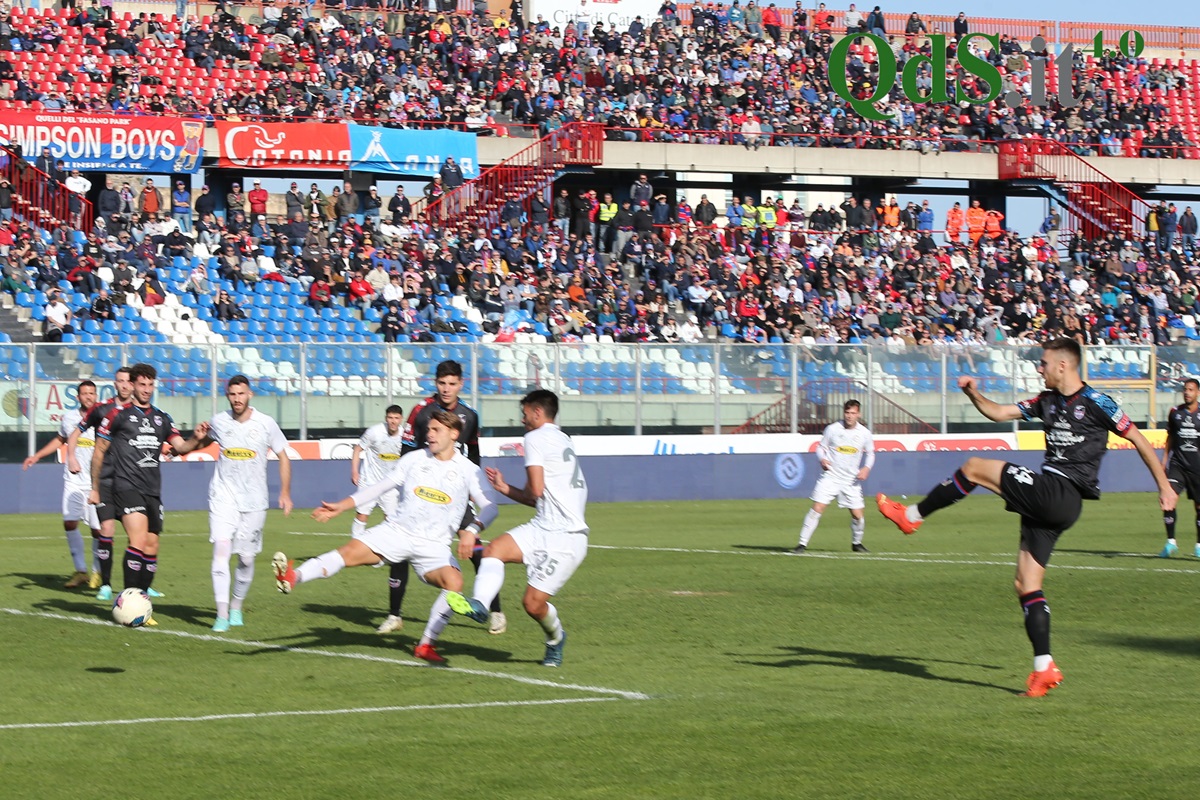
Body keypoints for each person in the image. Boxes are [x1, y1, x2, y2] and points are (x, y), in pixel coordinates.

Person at [876, 338, 1175, 697]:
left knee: (973, 467)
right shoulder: (1044, 402)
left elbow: (1141, 441)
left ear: (1063, 365)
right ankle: (1043, 667)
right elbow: (999, 412)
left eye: (1044, 363)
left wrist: (1165, 487)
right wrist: (974, 393)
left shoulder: (1098, 402)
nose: (1039, 368)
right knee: (1026, 585)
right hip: (1052, 502)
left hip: (1061, 493)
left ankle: (911, 515)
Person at [273, 410, 498, 664]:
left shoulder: (468, 470)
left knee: (454, 583)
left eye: (436, 430)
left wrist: (472, 530)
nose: (429, 434)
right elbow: (379, 487)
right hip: (396, 532)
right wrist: (342, 506)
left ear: (454, 434)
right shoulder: (413, 459)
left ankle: (426, 645)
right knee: (347, 553)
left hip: (434, 545)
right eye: (429, 429)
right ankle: (294, 576)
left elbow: (491, 506)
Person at [447, 390, 587, 668]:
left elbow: (534, 491)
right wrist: (504, 488)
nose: (522, 420)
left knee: (533, 605)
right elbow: (539, 496)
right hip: (543, 525)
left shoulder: (534, 437)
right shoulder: (562, 437)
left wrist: (508, 489)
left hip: (567, 537)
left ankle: (556, 639)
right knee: (493, 551)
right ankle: (480, 605)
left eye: (524, 414)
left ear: (537, 412)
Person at [382, 360, 506, 634]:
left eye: (452, 384)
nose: (447, 389)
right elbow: (406, 454)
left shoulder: (470, 416)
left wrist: (474, 491)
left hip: (456, 497)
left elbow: (473, 454)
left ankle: (495, 610)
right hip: (423, 494)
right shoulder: (421, 412)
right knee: (401, 551)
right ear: (435, 384)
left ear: (461, 384)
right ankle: (394, 615)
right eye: (442, 383)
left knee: (474, 550)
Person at [90, 363, 209, 609]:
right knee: (138, 539)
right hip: (126, 485)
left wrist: (196, 438)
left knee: (152, 544)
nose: (146, 389)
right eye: (142, 385)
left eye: (150, 385)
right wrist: (94, 487)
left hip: (153, 489)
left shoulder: (161, 418)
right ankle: (128, 599)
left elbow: (181, 447)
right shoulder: (117, 415)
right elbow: (98, 452)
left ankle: (141, 601)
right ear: (132, 385)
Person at [199, 376, 293, 632]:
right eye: (232, 394)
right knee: (221, 551)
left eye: (241, 394)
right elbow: (201, 441)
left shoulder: (265, 424)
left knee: (247, 560)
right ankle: (221, 615)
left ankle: (236, 607)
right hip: (223, 497)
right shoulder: (219, 421)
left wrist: (284, 492)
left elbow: (284, 456)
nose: (237, 399)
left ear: (250, 394)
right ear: (227, 395)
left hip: (254, 500)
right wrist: (188, 443)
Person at [22, 380, 102, 588]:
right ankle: (80, 571)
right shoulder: (69, 418)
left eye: (92, 393)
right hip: (73, 480)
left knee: (97, 529)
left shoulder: (103, 417)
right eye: (84, 393)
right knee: (69, 522)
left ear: (96, 395)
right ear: (78, 397)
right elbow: (60, 440)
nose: (88, 397)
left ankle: (97, 572)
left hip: (96, 481)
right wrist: (37, 455)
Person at [67, 367, 134, 600]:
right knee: (105, 529)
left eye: (128, 381)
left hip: (132, 479)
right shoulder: (102, 409)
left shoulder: (141, 412)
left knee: (140, 534)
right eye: (120, 381)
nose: (124, 385)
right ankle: (105, 583)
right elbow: (76, 432)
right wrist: (71, 455)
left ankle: (142, 586)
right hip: (105, 478)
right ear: (114, 384)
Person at [791, 399, 874, 554]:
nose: (850, 416)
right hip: (831, 477)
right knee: (817, 508)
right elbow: (821, 448)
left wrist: (866, 468)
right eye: (847, 413)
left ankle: (857, 543)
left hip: (851, 480)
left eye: (853, 413)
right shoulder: (833, 429)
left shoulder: (864, 433)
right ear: (844, 413)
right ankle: (801, 544)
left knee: (858, 516)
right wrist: (822, 458)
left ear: (859, 414)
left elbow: (870, 453)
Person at [350, 404, 406, 630]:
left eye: (396, 418)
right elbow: (357, 449)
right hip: (369, 481)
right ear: (386, 418)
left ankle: (383, 554)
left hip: (390, 485)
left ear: (401, 419)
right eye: (390, 418)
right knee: (362, 514)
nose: (393, 421)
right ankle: (355, 549)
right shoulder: (374, 432)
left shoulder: (405, 435)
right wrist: (354, 471)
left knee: (392, 522)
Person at [1159, 378, 1200, 559]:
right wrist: (1164, 460)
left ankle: (1199, 545)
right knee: (1168, 500)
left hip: (1197, 467)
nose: (1187, 392)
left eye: (1190, 390)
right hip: (1178, 465)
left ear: (1197, 393)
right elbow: (1171, 439)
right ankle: (1171, 543)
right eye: (1185, 389)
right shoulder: (1175, 413)